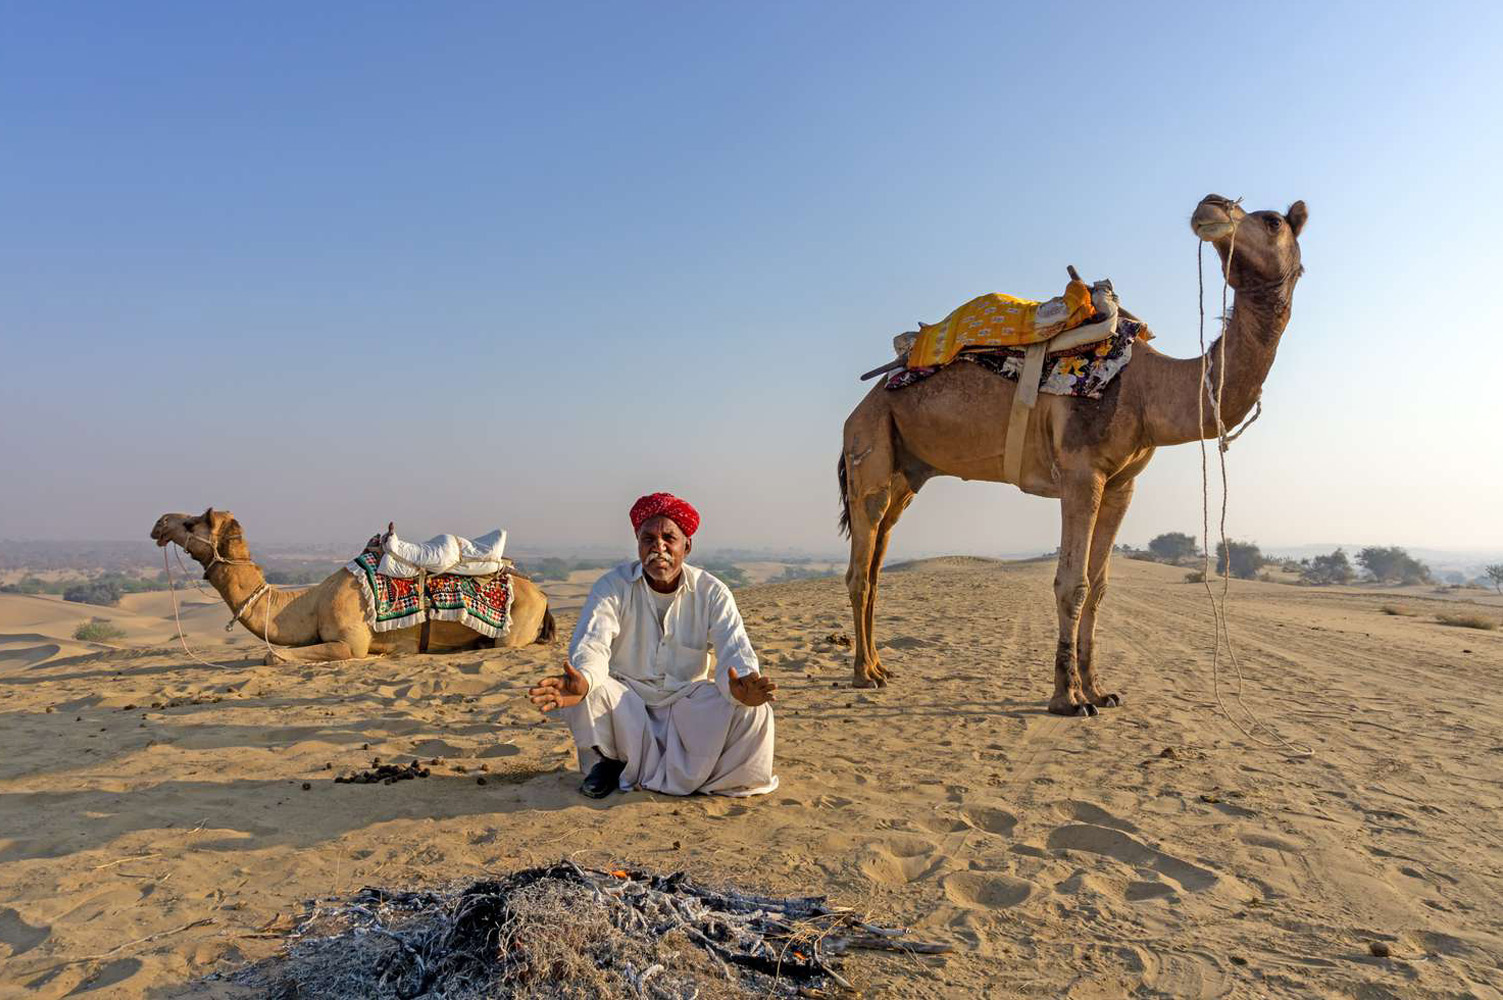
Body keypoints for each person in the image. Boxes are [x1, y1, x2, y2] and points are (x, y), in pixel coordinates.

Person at [528, 492, 778, 798]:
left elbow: (734, 648)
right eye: (648, 539)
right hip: (627, 700)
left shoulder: (712, 591)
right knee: (587, 689)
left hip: (686, 702)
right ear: (638, 544)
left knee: (753, 711)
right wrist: (587, 679)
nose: (658, 547)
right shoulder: (612, 586)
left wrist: (741, 688)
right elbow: (593, 642)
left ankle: (712, 780)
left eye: (668, 538)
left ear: (687, 546)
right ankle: (610, 763)